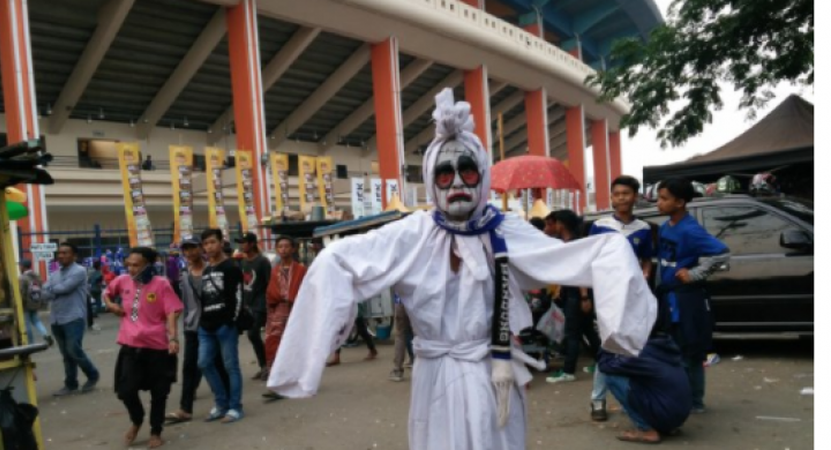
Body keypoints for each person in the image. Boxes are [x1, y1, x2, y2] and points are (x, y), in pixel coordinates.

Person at [267, 88, 657, 450]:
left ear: (483, 176)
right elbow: (338, 260)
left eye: (467, 172)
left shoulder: (505, 230)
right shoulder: (412, 233)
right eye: (444, 174)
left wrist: (620, 318)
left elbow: (580, 256)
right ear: (432, 180)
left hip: (492, 370)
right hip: (434, 373)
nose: (456, 183)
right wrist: (311, 353)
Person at [656, 177, 730, 414]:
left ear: (679, 202)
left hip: (687, 300)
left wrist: (695, 273)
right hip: (669, 299)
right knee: (675, 352)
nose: (659, 203)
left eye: (664, 198)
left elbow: (722, 253)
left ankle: (696, 402)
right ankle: (682, 397)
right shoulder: (666, 227)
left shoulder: (690, 229)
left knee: (691, 353)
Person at [586, 175, 655, 421]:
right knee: (607, 347)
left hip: (633, 298)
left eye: (627, 193)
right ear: (612, 197)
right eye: (617, 194)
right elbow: (590, 260)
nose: (622, 198)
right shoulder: (601, 225)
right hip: (607, 297)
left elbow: (647, 259)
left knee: (632, 347)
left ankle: (629, 399)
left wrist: (645, 275)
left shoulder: (644, 229)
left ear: (635, 196)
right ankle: (598, 400)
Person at [103, 247, 183, 449]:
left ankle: (156, 431)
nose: (130, 268)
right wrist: (111, 305)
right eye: (128, 264)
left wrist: (173, 338)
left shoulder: (162, 284)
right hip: (131, 346)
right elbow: (107, 292)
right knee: (126, 390)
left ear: (148, 264)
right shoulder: (122, 281)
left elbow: (172, 311)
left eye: (135, 265)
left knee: (159, 392)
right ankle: (137, 419)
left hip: (157, 348)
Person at [165, 237, 230, 423]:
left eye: (192, 249)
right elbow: (181, 301)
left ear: (200, 249)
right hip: (192, 325)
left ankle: (227, 402)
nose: (188, 253)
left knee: (217, 363)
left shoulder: (213, 270)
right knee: (189, 366)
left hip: (213, 323)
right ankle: (185, 408)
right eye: (185, 250)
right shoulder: (183, 273)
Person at [598, 323, 692, 444]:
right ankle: (666, 426)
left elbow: (605, 365)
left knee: (612, 378)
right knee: (640, 377)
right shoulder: (665, 346)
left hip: (666, 414)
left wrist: (607, 342)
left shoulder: (643, 351)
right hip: (679, 415)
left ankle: (646, 429)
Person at [543, 210, 602, 385]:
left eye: (550, 224)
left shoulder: (574, 244)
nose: (548, 228)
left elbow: (581, 271)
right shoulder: (567, 243)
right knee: (588, 332)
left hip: (578, 294)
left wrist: (584, 297)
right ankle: (603, 363)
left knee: (572, 334)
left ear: (560, 224)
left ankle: (568, 371)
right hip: (574, 293)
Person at [198, 228, 246, 424]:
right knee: (204, 363)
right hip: (206, 326)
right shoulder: (207, 269)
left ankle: (235, 407)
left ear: (221, 243)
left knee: (230, 366)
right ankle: (221, 404)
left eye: (212, 242)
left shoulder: (231, 267)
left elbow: (238, 297)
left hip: (225, 326)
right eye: (206, 244)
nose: (209, 247)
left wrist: (230, 322)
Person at [43, 243, 100, 396]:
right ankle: (71, 384)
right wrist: (50, 290)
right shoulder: (55, 274)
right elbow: (45, 293)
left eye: (65, 253)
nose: (60, 256)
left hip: (73, 318)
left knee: (73, 350)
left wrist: (50, 290)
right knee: (66, 355)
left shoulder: (80, 271)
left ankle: (93, 374)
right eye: (59, 253)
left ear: (74, 256)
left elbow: (63, 289)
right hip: (56, 319)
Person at [262, 236, 307, 400]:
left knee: (295, 346)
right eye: (280, 246)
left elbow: (306, 291)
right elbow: (270, 293)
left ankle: (297, 380)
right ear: (276, 249)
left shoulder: (301, 270)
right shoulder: (274, 271)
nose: (284, 249)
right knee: (274, 346)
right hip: (278, 313)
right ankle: (277, 384)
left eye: (287, 246)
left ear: (293, 249)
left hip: (297, 311)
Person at [235, 232, 272, 381]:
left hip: (260, 304)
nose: (241, 245)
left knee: (253, 334)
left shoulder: (263, 261)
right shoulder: (243, 262)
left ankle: (266, 366)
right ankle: (263, 365)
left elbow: (269, 283)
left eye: (244, 242)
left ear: (252, 243)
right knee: (252, 335)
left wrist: (270, 304)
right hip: (247, 304)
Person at [19, 259, 52, 346]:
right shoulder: (37, 276)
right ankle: (46, 334)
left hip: (26, 304)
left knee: (26, 324)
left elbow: (21, 292)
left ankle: (30, 343)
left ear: (23, 267)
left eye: (20, 266)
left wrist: (20, 303)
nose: (19, 267)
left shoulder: (22, 278)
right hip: (35, 302)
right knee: (36, 320)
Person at [389, 293, 415, 382]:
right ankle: (421, 366)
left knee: (400, 334)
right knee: (419, 334)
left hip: (400, 301)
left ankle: (397, 370)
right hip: (417, 300)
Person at [88, 261, 103, 331]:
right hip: (97, 289)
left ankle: (92, 312)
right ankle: (94, 313)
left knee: (91, 302)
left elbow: (89, 281)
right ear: (99, 266)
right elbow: (99, 282)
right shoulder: (100, 273)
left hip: (91, 289)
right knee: (99, 303)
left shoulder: (91, 273)